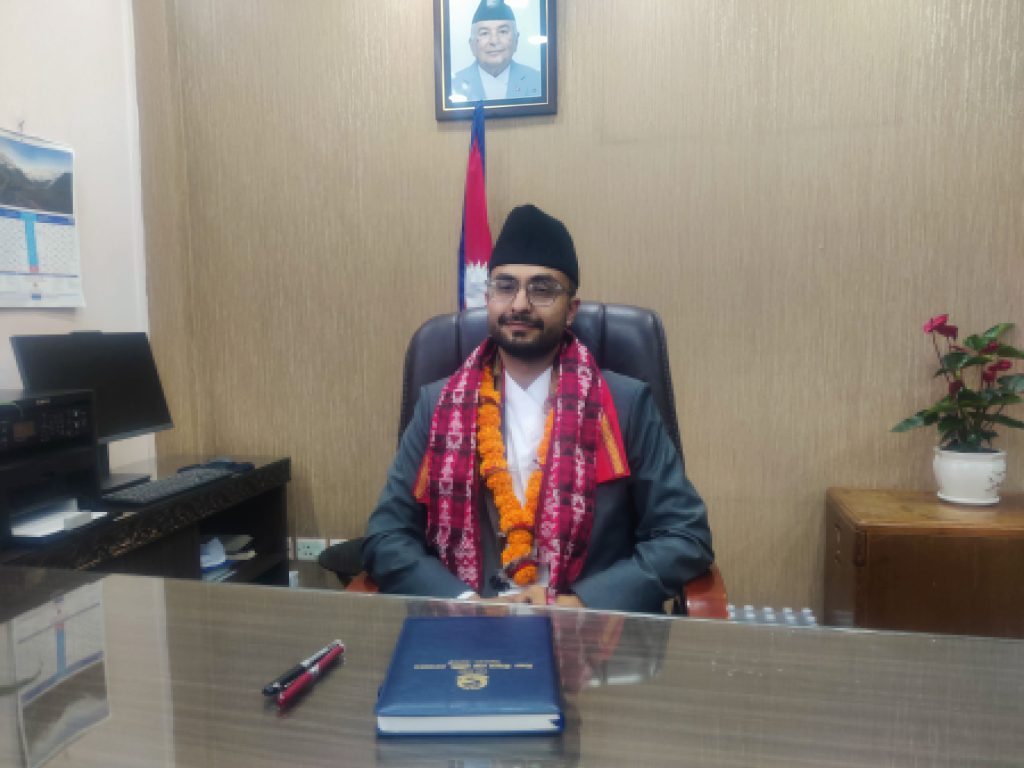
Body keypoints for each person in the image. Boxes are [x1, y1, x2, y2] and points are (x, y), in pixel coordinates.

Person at [362, 205, 714, 613]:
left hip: (588, 628)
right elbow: (386, 536)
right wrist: (466, 602)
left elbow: (685, 535)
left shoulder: (625, 404)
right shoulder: (438, 405)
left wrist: (582, 602)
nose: (520, 304)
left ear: (572, 309)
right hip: (466, 624)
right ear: (489, 299)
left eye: (542, 289)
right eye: (505, 286)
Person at [450, 0, 542, 103]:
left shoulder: (539, 80)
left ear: (516, 40)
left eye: (503, 31)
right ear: (472, 45)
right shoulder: (452, 85)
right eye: (484, 33)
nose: (494, 41)